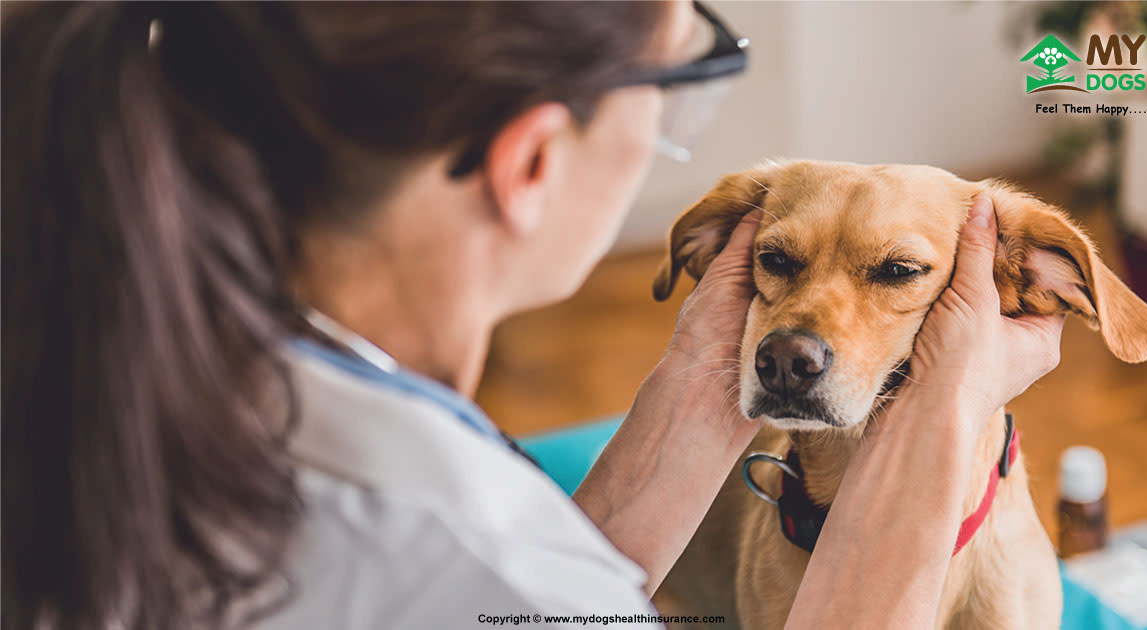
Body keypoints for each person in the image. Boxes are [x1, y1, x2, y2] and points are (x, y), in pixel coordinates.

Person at [0, 2, 1064, 629]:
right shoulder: (466, 555)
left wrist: (701, 391)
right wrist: (932, 435)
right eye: (685, 85)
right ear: (532, 162)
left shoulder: (113, 349)